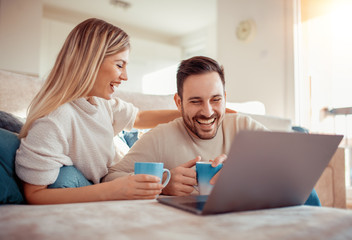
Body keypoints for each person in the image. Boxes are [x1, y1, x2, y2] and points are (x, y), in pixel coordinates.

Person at [104, 56, 321, 206]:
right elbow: (110, 178)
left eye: (216, 100)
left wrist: (245, 170)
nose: (207, 112)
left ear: (225, 98)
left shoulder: (242, 126)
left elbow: (291, 167)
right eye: (196, 101)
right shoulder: (161, 137)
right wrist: (163, 185)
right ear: (178, 103)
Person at [15, 18, 181, 204]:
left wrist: (189, 112)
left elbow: (140, 117)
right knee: (64, 179)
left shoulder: (99, 102)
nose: (125, 77)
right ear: (90, 62)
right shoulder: (55, 119)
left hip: (110, 171)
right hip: (86, 184)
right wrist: (112, 190)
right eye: (119, 65)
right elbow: (34, 194)